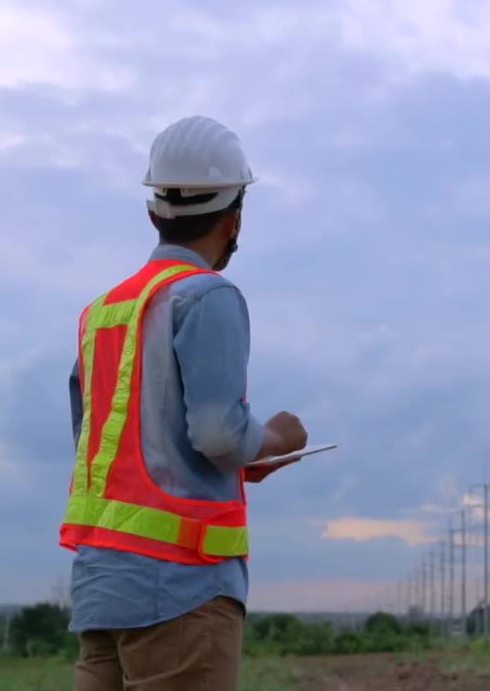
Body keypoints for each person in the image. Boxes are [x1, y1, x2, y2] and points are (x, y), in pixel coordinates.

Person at [60, 115, 308, 691]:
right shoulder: (207, 296)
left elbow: (100, 444)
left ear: (153, 212)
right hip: (181, 593)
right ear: (234, 216)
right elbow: (221, 435)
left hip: (101, 591)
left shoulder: (102, 314)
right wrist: (273, 441)